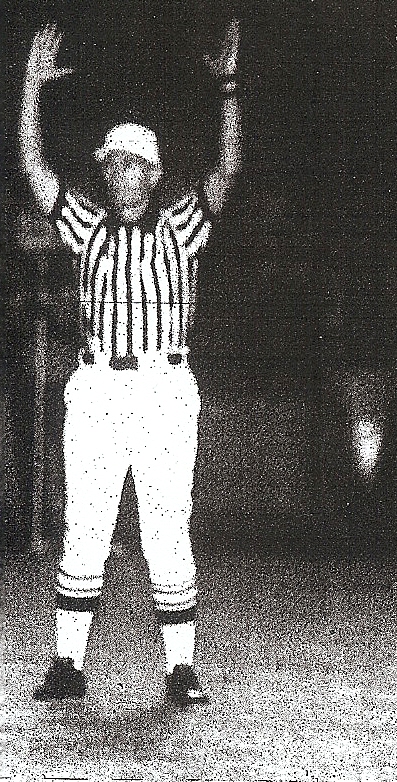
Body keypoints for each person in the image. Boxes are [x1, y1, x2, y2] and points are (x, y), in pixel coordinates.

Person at [20, 21, 242, 707]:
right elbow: (33, 166)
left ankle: (180, 667)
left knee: (165, 524)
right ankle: (67, 663)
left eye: (131, 163)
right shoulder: (85, 224)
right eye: (111, 163)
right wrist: (29, 89)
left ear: (152, 173)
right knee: (86, 521)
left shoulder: (183, 224)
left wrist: (228, 87)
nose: (119, 172)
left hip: (164, 384)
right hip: (96, 386)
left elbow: (228, 167)